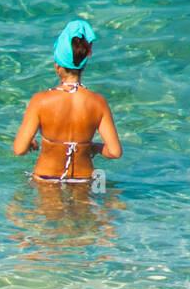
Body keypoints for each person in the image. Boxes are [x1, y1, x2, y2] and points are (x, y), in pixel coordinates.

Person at [12, 20, 121, 184]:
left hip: (46, 179)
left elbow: (19, 150)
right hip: (83, 181)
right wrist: (95, 148)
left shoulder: (40, 101)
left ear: (57, 66)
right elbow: (114, 152)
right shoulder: (99, 102)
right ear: (83, 65)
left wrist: (30, 144)